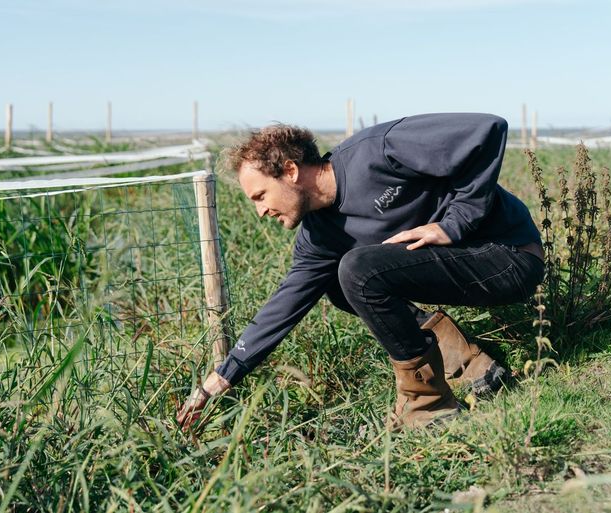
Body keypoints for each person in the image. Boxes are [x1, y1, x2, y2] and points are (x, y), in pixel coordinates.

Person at [176, 113, 544, 432]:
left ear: (290, 171)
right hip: (464, 269)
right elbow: (283, 306)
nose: (260, 211)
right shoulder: (319, 236)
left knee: (357, 269)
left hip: (509, 256)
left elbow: (487, 129)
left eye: (260, 196)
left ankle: (428, 406)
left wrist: (454, 224)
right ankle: (468, 364)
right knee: (340, 282)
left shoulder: (379, 151)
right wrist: (221, 378)